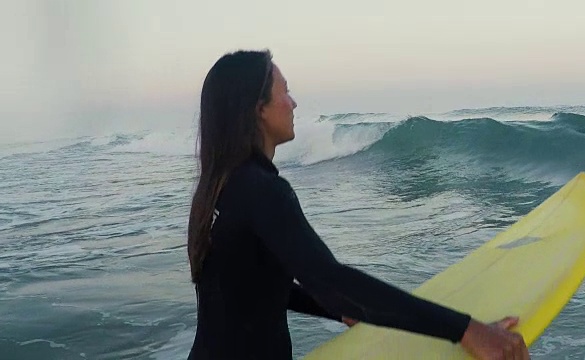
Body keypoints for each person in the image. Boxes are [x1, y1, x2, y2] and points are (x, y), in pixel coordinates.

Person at [186, 49, 530, 360]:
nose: (293, 103)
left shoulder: (218, 188)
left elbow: (251, 284)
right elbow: (334, 281)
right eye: (285, 91)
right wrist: (470, 331)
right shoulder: (265, 191)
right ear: (258, 109)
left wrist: (337, 311)